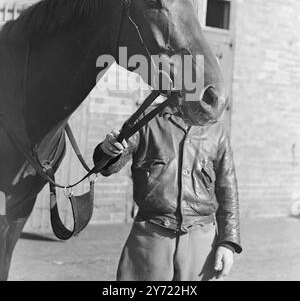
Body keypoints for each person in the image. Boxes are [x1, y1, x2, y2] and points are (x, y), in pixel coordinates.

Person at [93, 102, 242, 281]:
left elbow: (228, 189)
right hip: (151, 234)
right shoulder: (146, 118)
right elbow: (108, 166)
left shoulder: (216, 128)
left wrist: (228, 243)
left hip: (202, 237)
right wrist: (109, 149)